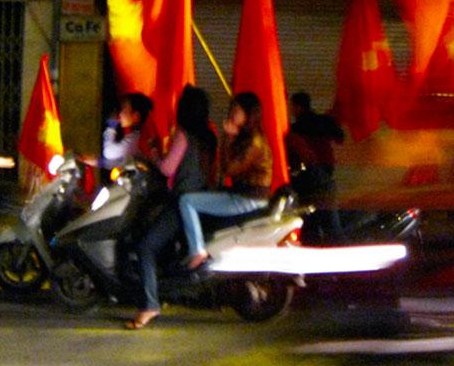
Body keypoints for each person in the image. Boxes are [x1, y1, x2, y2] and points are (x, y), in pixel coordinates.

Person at [127, 86, 216, 330]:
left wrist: (154, 154)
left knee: (145, 246)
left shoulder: (183, 135)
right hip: (204, 200)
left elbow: (167, 168)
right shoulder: (209, 136)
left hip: (182, 201)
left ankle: (149, 305)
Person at [177, 92, 273, 271]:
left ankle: (197, 249)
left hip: (248, 198)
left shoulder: (254, 142)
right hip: (242, 194)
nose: (232, 113)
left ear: (248, 114)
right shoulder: (246, 138)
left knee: (187, 201)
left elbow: (229, 169)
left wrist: (227, 137)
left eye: (237, 110)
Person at [286, 91, 344, 240]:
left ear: (297, 107)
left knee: (310, 226)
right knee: (331, 226)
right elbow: (340, 137)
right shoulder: (324, 121)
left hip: (308, 180)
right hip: (326, 175)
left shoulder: (295, 129)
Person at [101, 93, 150, 178]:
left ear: (136, 116)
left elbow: (108, 152)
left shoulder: (135, 140)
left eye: (123, 109)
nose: (119, 114)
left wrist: (111, 126)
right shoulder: (135, 135)